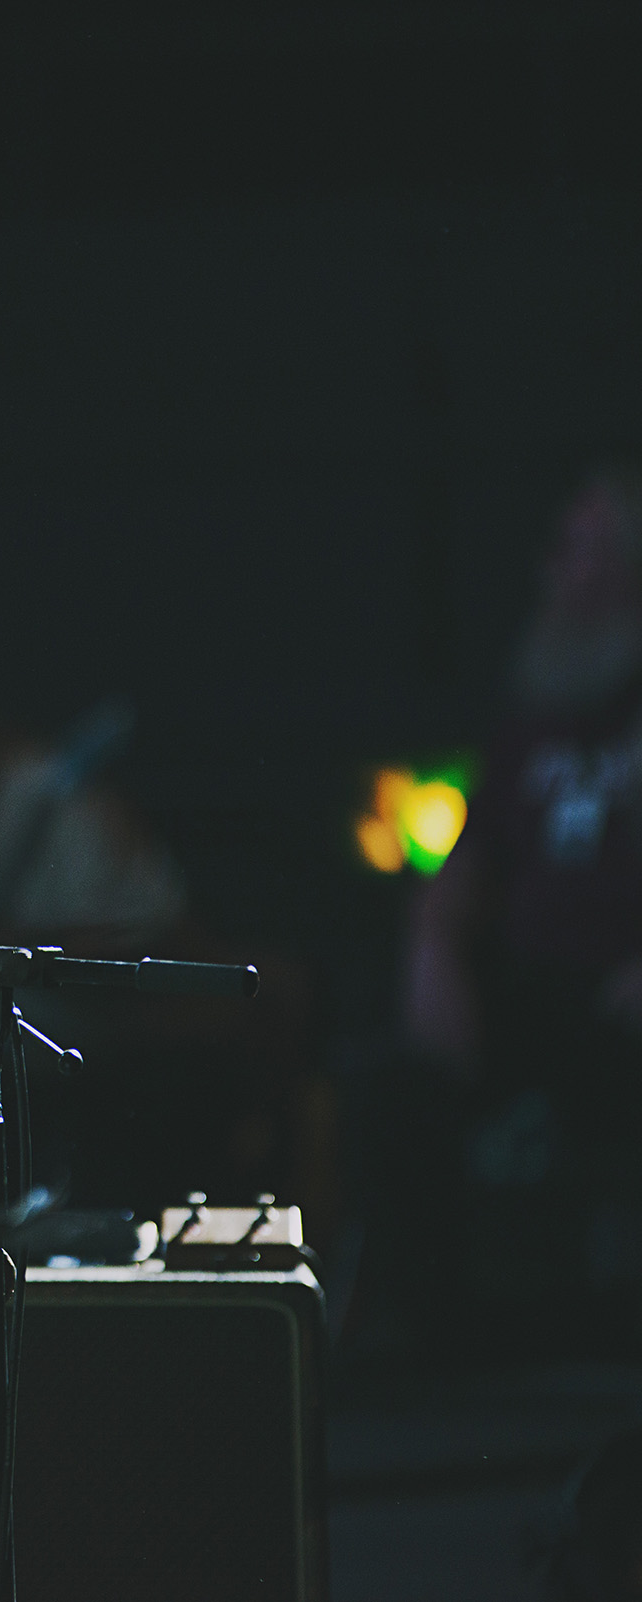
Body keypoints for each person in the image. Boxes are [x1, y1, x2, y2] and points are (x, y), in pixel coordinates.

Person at [396, 465, 642, 1347]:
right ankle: (437, 1343)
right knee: (409, 1087)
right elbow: (473, 854)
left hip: (623, 991)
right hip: (536, 986)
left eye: (573, 548)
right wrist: (433, 945)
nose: (552, 569)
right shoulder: (533, 713)